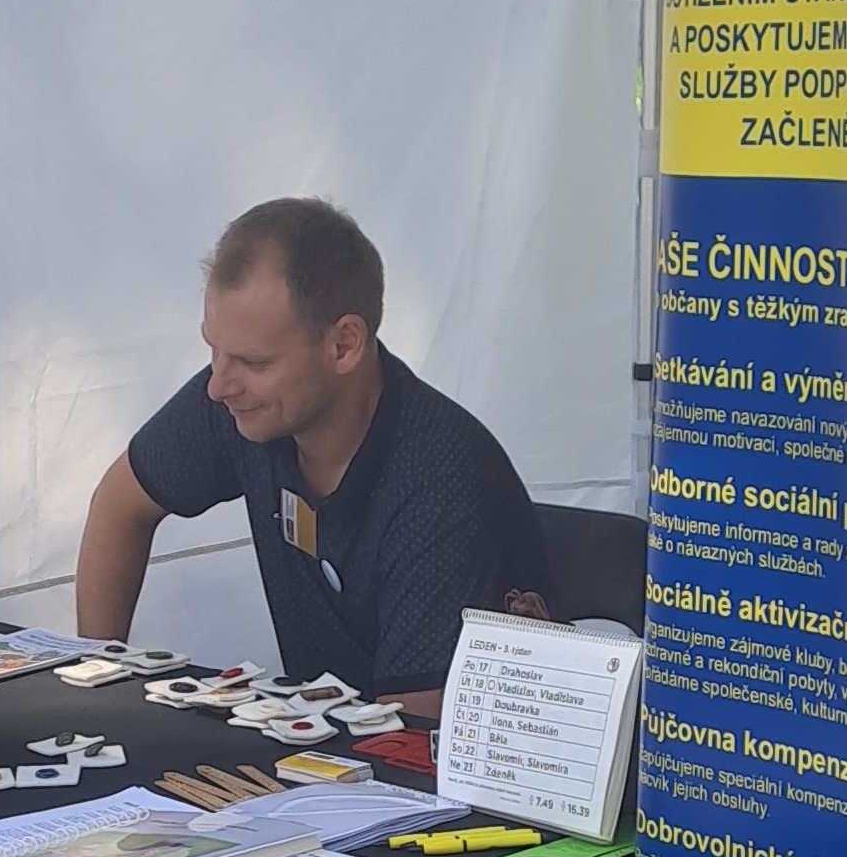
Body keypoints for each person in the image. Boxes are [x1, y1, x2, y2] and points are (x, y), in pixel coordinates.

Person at [74, 196, 540, 712]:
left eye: (253, 361)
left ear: (344, 345)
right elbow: (120, 503)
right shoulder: (249, 403)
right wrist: (100, 680)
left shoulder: (441, 482)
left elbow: (414, 733)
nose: (218, 386)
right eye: (213, 349)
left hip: (405, 753)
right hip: (329, 744)